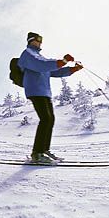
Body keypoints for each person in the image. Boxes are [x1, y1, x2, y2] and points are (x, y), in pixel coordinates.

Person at [17, 32, 83, 162]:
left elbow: (53, 71)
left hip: (44, 92)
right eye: (37, 40)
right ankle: (37, 153)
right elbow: (41, 64)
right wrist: (62, 61)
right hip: (35, 90)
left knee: (50, 119)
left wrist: (72, 69)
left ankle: (44, 150)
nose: (40, 42)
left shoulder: (39, 55)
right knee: (45, 119)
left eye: (41, 40)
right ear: (31, 40)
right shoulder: (28, 54)